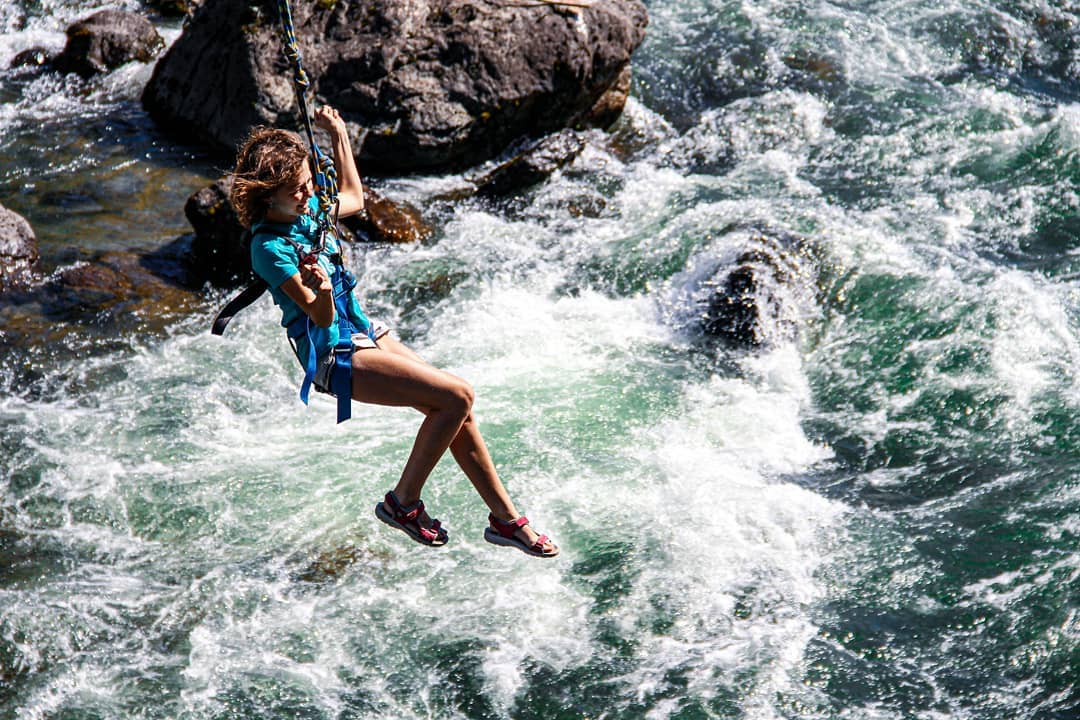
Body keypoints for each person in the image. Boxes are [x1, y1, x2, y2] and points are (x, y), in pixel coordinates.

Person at [229, 106, 558, 558]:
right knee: (457, 396)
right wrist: (321, 289)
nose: (308, 195)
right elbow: (321, 318)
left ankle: (505, 520)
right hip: (332, 355)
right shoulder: (269, 249)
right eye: (296, 190)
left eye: (307, 184)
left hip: (363, 329)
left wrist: (339, 135)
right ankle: (403, 503)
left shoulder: (304, 214)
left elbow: (354, 198)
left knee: (457, 408)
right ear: (267, 197)